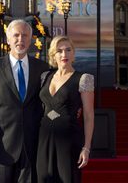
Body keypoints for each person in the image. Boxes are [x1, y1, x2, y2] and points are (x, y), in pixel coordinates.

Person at [0, 19, 48, 183]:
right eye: (16, 35)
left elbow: (49, 101)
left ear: (30, 40)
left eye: (24, 35)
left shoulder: (42, 68)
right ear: (8, 39)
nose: (20, 39)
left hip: (33, 146)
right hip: (2, 147)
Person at [36, 35, 95, 183]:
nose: (64, 54)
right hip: (43, 139)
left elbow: (88, 115)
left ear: (73, 53)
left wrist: (86, 148)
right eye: (59, 51)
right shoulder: (45, 76)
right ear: (53, 55)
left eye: (68, 50)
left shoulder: (84, 78)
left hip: (69, 140)